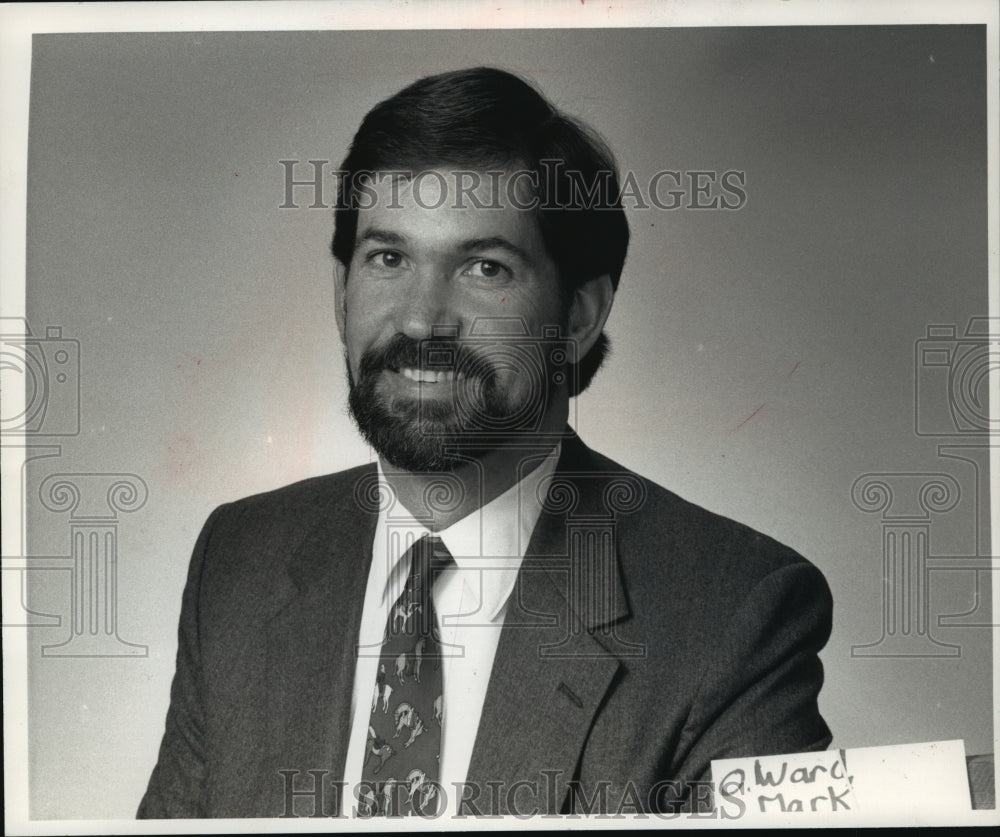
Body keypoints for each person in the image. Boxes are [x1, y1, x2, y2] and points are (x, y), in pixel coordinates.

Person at [138, 66, 832, 819]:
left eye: (483, 267)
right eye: (388, 258)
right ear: (341, 289)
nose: (420, 319)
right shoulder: (239, 562)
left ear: (578, 315)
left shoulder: (732, 613)